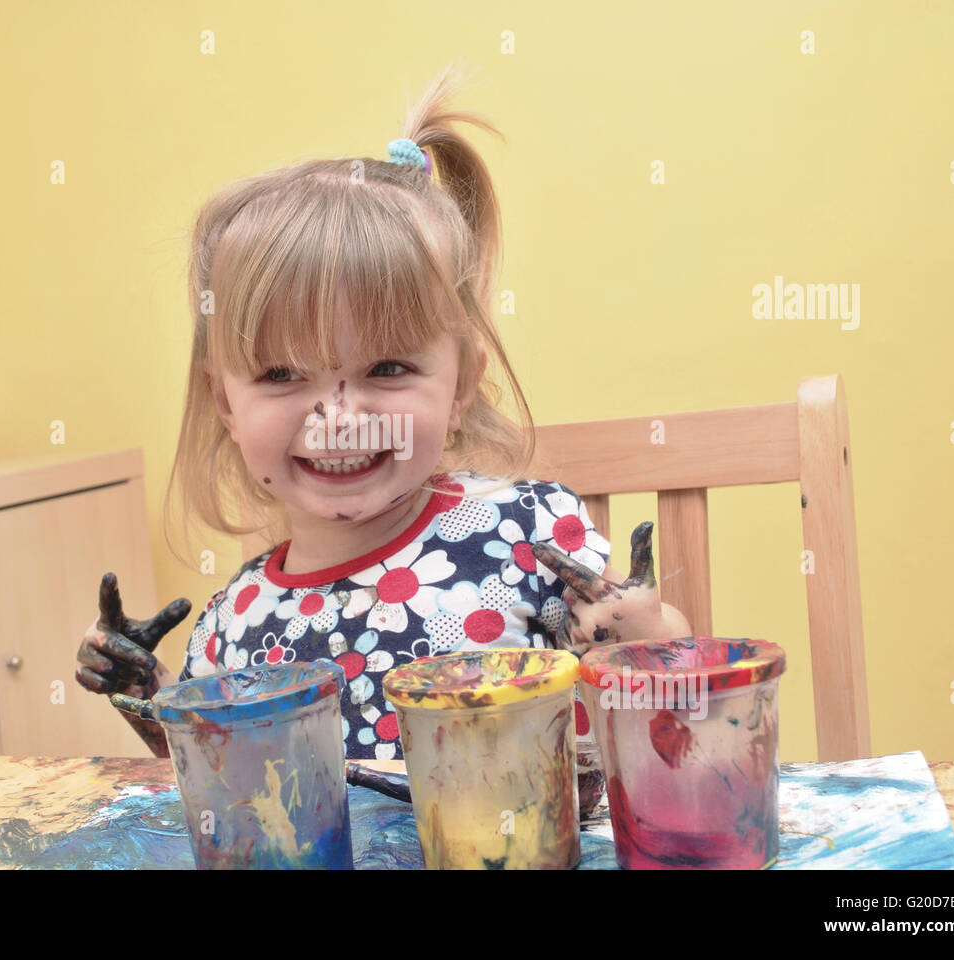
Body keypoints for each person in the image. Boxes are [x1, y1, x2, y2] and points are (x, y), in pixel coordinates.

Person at [74, 61, 691, 762]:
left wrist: (645, 638)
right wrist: (147, 693)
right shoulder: (233, 624)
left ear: (461, 388)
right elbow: (224, 779)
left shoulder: (529, 537)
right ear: (225, 403)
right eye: (281, 374)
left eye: (387, 369)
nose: (338, 418)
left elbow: (671, 724)